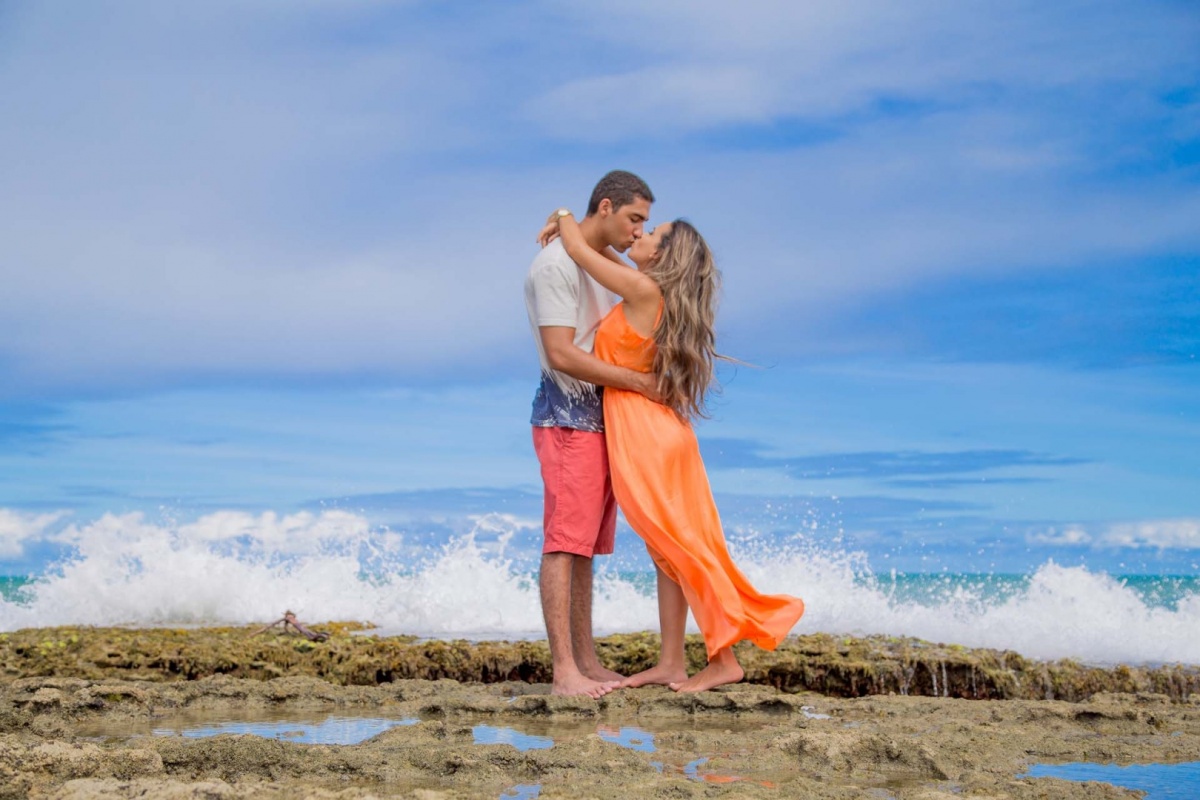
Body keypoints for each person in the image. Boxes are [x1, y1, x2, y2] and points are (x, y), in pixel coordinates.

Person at [536, 209, 805, 693]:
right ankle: (672, 663)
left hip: (648, 437)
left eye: (651, 233)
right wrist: (588, 231)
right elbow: (600, 252)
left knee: (682, 549)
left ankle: (723, 659)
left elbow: (578, 249)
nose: (639, 234)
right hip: (661, 433)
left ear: (662, 257)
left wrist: (564, 215)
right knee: (671, 549)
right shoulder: (653, 292)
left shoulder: (642, 290)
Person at [524, 170, 659, 698]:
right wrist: (638, 382)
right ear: (606, 206)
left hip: (601, 423)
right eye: (634, 218)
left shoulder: (599, 263)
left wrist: (562, 215)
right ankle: (564, 672)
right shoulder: (554, 265)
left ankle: (586, 661)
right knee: (563, 543)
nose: (638, 231)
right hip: (566, 420)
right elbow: (561, 353)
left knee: (582, 547)